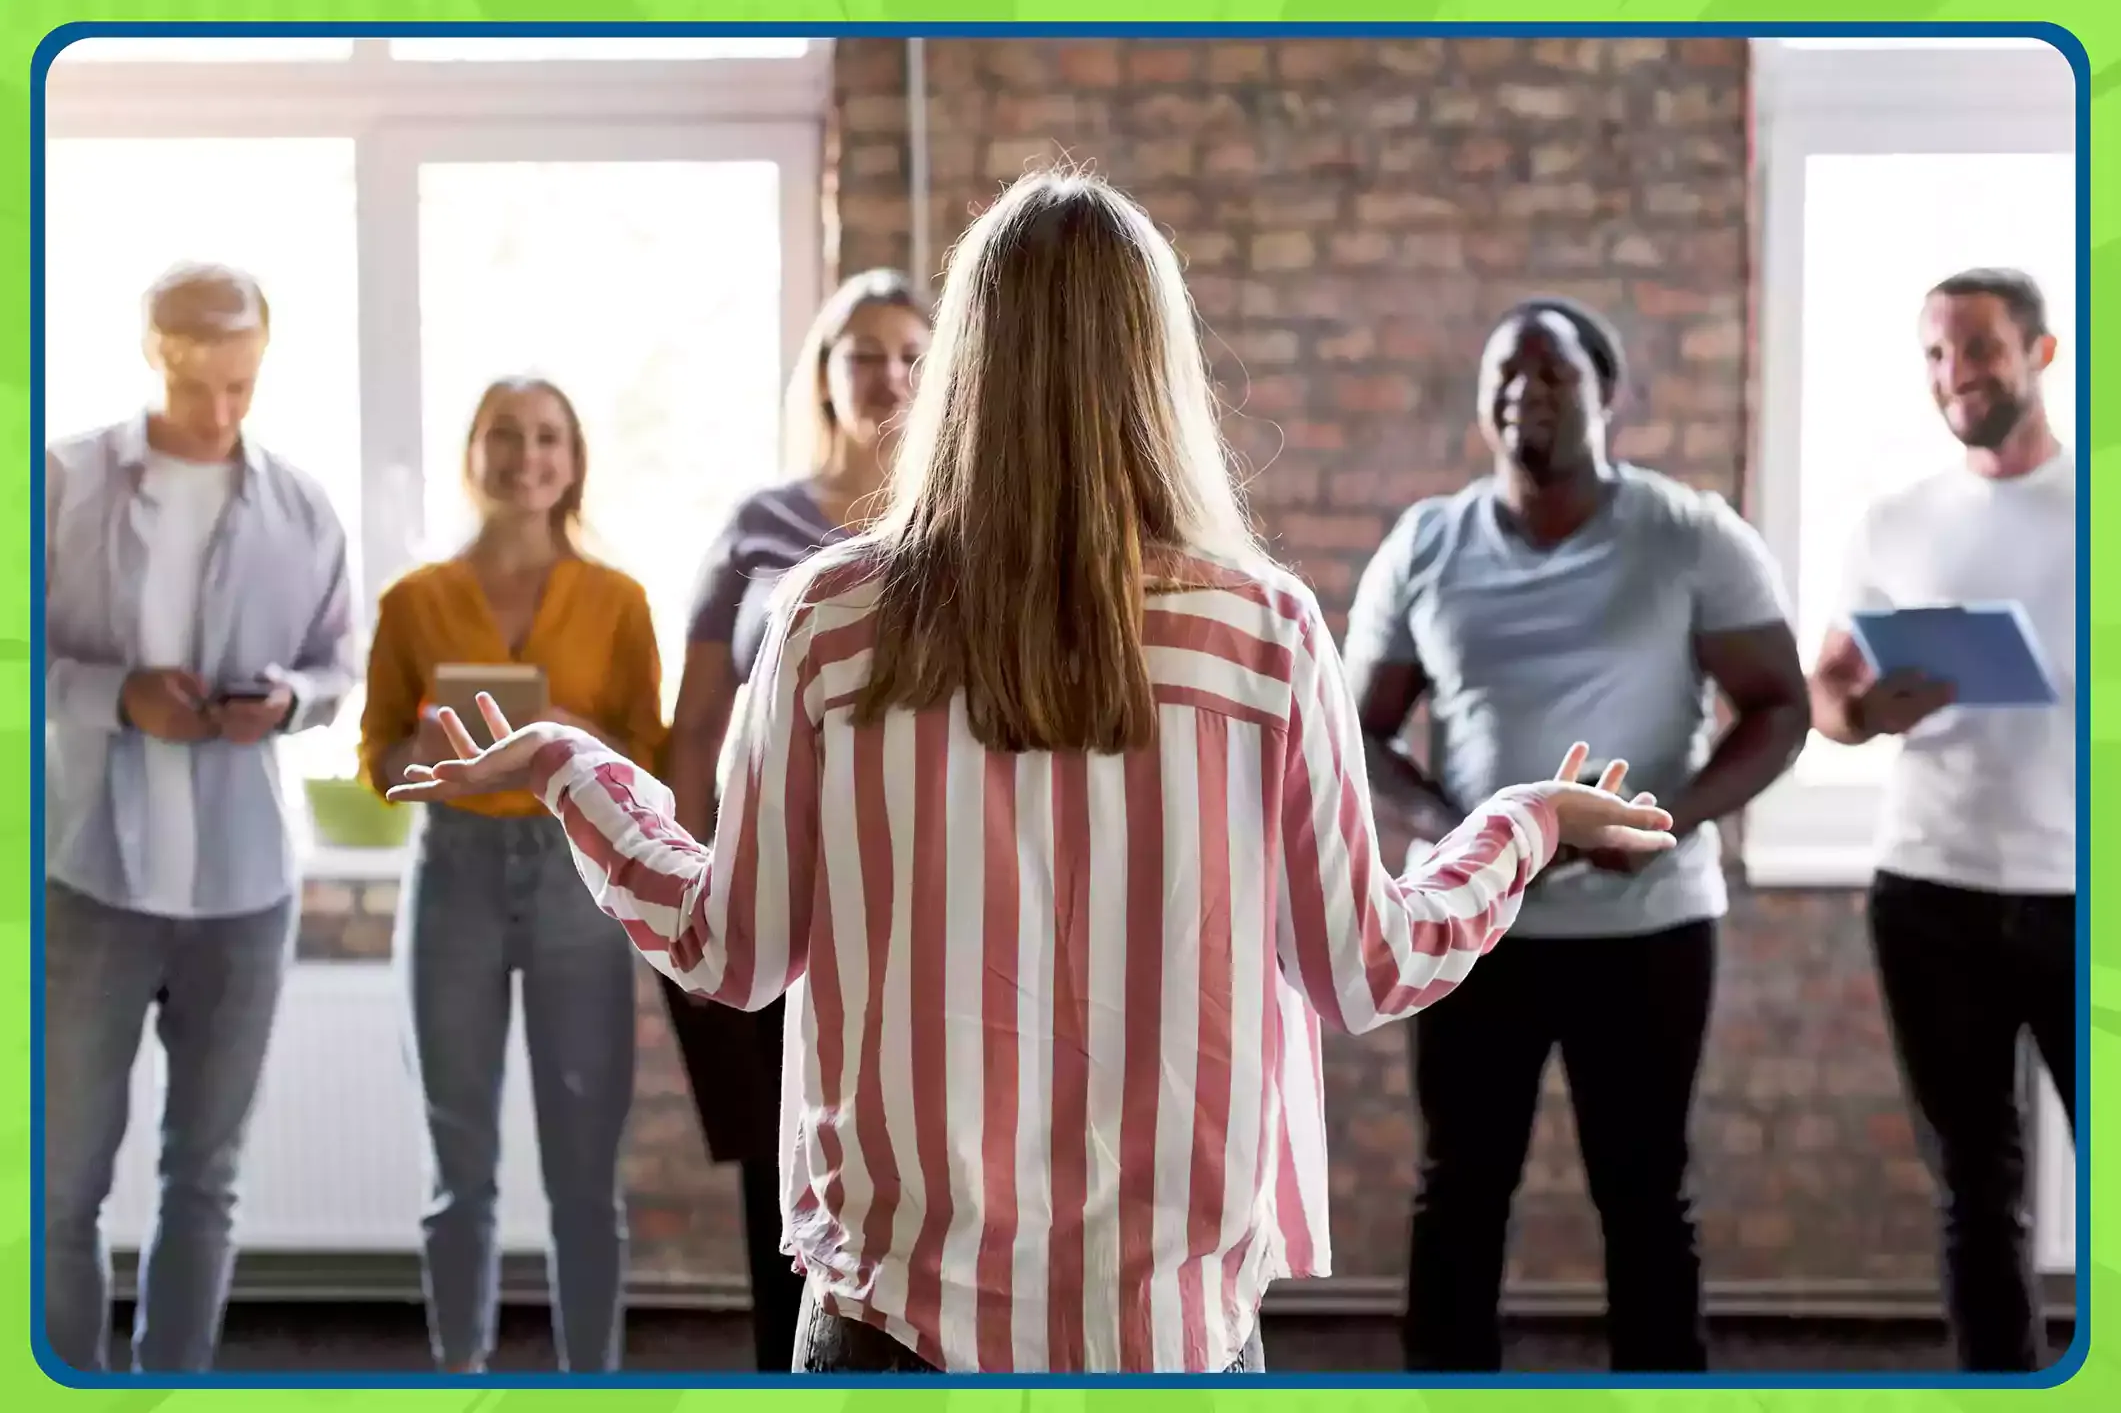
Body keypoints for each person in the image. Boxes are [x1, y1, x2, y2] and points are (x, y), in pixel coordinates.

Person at [381, 169, 1678, 1375]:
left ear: (960, 363)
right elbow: (1366, 967)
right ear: (1156, 369)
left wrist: (570, 771)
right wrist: (1523, 825)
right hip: (1169, 1340)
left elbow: (732, 950)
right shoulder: (1263, 632)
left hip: (894, 1326)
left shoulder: (831, 618)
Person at [1344, 297, 1810, 1372]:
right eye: (1505, 375)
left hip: (1648, 931)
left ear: (1609, 394)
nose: (1526, 392)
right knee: (1459, 1191)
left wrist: (1659, 824)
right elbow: (1358, 736)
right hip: (1472, 934)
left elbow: (1780, 706)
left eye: (1552, 372)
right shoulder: (1427, 544)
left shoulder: (1690, 534)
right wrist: (1485, 839)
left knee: (1645, 1194)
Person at [42, 262, 360, 1372]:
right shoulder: (59, 482)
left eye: (242, 384)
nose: (221, 412)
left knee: (205, 1179)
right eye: (197, 386)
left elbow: (338, 665)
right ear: (153, 355)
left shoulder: (302, 507)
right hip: (86, 882)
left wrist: (289, 701)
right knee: (59, 1184)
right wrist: (112, 695)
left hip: (245, 893)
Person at [358, 377, 666, 1373]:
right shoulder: (413, 602)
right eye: (503, 434)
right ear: (472, 452)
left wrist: (574, 736)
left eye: (545, 437)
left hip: (577, 875)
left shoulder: (619, 602)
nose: (525, 456)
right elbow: (377, 762)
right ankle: (461, 1375)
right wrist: (423, 751)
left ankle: (594, 1384)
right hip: (453, 872)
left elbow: (649, 762)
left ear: (571, 461)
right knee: (459, 1169)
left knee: (584, 1177)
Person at [659, 268, 930, 1372]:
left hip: (896, 894)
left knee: (888, 1160)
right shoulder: (758, 526)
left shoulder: (954, 519)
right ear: (822, 374)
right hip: (770, 879)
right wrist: (696, 886)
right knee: (779, 1173)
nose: (888, 377)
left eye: (911, 356)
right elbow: (694, 727)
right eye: (862, 355)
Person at [1808, 267, 2075, 1372]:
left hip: (2081, 893)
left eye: (1978, 349)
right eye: (1934, 354)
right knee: (1974, 1183)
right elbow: (1828, 690)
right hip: (1931, 893)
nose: (1954, 374)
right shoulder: (1896, 521)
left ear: (2040, 354)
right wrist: (1867, 713)